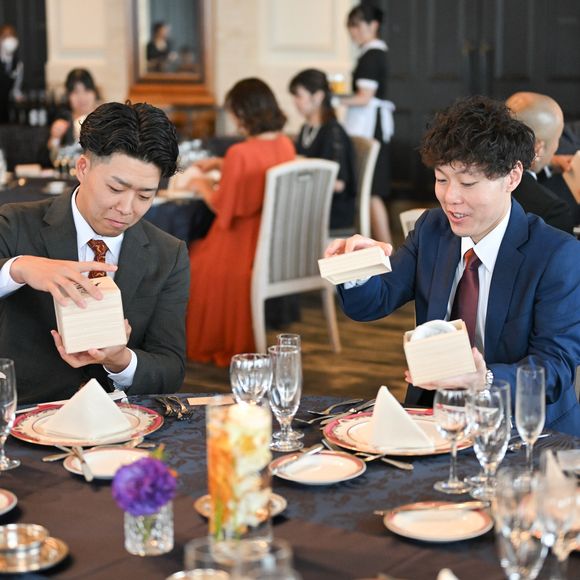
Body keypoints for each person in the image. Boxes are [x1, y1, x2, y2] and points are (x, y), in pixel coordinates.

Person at [325, 95, 580, 436]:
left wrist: (484, 379)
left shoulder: (557, 254)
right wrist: (356, 268)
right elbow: (374, 302)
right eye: (442, 179)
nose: (450, 197)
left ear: (512, 177)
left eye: (468, 183)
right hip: (437, 421)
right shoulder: (433, 229)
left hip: (526, 431)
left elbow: (555, 367)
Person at [0, 101, 189, 404]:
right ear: (83, 168)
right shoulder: (16, 223)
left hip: (122, 420)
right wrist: (19, 268)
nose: (126, 209)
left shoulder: (168, 254)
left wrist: (120, 360)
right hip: (27, 413)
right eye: (115, 189)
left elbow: (171, 370)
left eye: (144, 196)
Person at [185, 78, 295, 366]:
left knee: (193, 260)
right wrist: (222, 164)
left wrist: (201, 185)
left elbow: (223, 207)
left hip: (240, 243)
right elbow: (260, 169)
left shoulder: (240, 153)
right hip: (272, 243)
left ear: (243, 112)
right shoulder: (284, 144)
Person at [339, 4, 394, 243]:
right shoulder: (372, 53)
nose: (354, 31)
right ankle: (383, 247)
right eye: (351, 26)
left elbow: (364, 97)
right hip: (372, 124)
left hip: (371, 126)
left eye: (358, 25)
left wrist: (336, 99)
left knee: (371, 190)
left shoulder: (372, 55)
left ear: (374, 25)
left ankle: (387, 249)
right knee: (370, 191)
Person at [289, 68, 356, 230]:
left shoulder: (333, 132)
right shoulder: (306, 128)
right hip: (313, 205)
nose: (295, 102)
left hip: (331, 210)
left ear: (318, 96)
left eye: (299, 96)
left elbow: (339, 184)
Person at [505, 91, 574, 234]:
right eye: (557, 139)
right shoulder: (553, 212)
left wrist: (546, 163)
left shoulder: (471, 179)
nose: (556, 147)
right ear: (538, 147)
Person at [47, 68, 99, 161]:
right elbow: (52, 158)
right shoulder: (64, 119)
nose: (81, 97)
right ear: (68, 96)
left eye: (86, 90)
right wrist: (55, 138)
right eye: (75, 92)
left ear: (94, 92)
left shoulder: (103, 119)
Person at [0, 24, 23, 123]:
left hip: (6, 108)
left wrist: (18, 96)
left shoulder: (18, 64)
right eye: (5, 36)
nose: (8, 40)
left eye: (11, 36)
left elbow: (16, 88)